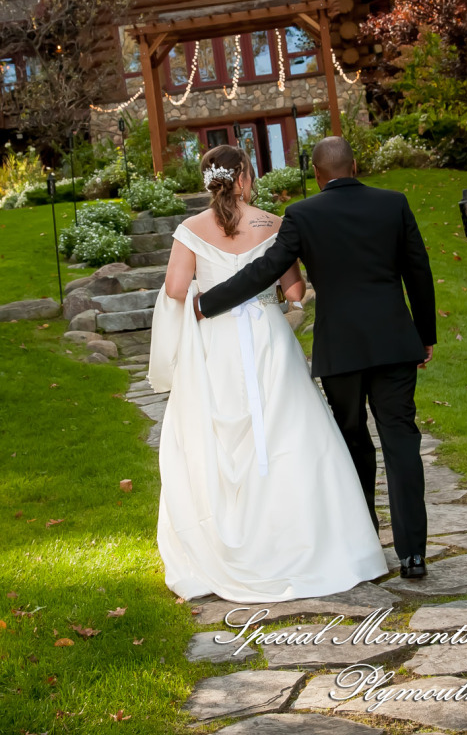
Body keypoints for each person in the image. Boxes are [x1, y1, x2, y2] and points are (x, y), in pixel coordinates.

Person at [148, 144, 387, 603]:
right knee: (289, 432)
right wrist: (290, 302)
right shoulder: (272, 224)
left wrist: (210, 286)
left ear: (209, 180)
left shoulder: (190, 229)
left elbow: (177, 289)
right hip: (268, 341)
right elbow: (293, 288)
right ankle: (308, 542)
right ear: (244, 178)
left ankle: (226, 543)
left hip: (215, 345)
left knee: (215, 441)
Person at [196, 136, 436, 580]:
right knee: (401, 440)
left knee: (352, 440)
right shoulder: (393, 204)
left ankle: (365, 533)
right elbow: (417, 270)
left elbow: (263, 271)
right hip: (393, 343)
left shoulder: (303, 215)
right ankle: (413, 554)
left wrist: (209, 302)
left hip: (340, 348)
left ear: (318, 175)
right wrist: (424, 335)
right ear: (355, 164)